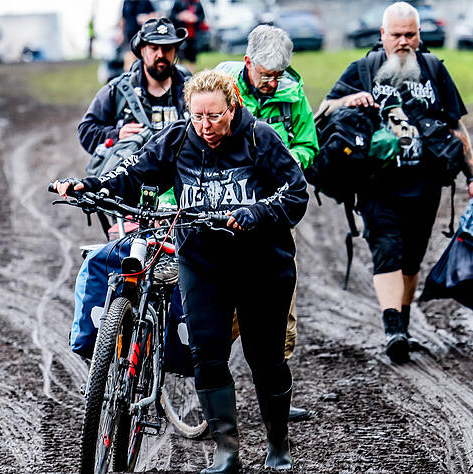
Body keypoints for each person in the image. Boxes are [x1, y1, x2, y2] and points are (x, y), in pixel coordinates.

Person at [54, 69, 308, 473]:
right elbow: (133, 173)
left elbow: (295, 195)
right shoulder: (175, 140)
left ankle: (278, 444)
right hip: (204, 265)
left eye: (215, 116)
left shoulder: (261, 139)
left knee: (266, 360)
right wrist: (91, 186)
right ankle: (227, 453)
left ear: (232, 107)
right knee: (207, 356)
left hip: (261, 266)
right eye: (198, 117)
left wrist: (255, 213)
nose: (206, 126)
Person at [320, 2, 473, 363]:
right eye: (396, 35)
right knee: (387, 251)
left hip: (426, 185)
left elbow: (457, 128)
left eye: (410, 34)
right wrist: (351, 99)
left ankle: (404, 323)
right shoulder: (362, 69)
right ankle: (392, 326)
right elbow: (324, 109)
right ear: (383, 36)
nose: (404, 41)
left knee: (412, 258)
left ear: (419, 34)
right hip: (378, 185)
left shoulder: (433, 69)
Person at [216, 24, 317, 422]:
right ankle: (211, 388)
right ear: (247, 63)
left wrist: (283, 162)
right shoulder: (222, 90)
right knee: (223, 307)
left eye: (279, 75)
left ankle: (277, 394)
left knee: (281, 306)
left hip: (273, 216)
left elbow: (309, 146)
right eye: (265, 74)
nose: (273, 83)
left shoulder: (294, 96)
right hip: (225, 213)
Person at [78, 17, 190, 158]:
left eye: (167, 48)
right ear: (142, 50)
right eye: (154, 48)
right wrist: (117, 134)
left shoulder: (192, 92)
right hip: (134, 178)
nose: (161, 54)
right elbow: (86, 131)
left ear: (175, 51)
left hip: (182, 176)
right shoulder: (118, 90)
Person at [169, 0, 207, 73]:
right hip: (181, 35)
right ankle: (179, 73)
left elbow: (202, 17)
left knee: (192, 57)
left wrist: (194, 18)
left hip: (193, 35)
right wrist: (181, 16)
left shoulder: (197, 3)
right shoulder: (178, 2)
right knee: (180, 56)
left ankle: (191, 74)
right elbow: (172, 17)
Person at [121, 0, 157, 70]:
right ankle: (129, 77)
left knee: (143, 59)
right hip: (129, 36)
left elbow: (154, 16)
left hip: (143, 37)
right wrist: (121, 33)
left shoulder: (145, 2)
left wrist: (146, 18)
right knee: (129, 58)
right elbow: (123, 19)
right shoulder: (126, 2)